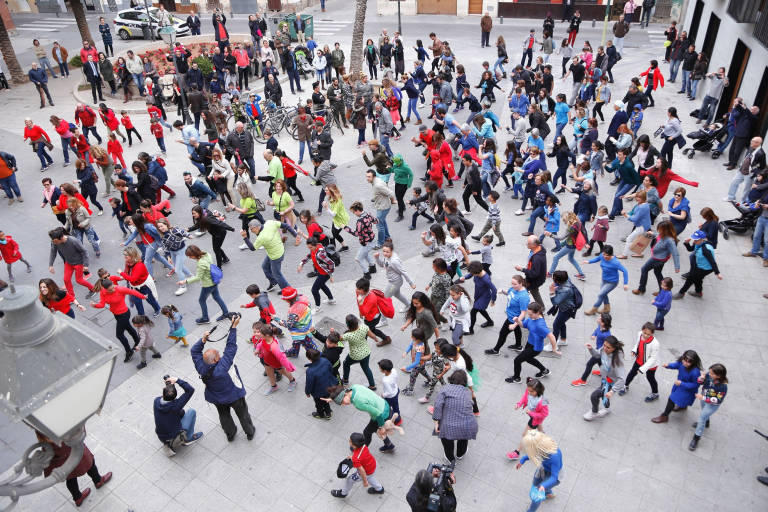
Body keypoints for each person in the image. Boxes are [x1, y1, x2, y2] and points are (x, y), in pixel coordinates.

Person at [192, 314, 256, 441]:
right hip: (234, 395)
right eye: (218, 354)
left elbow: (194, 351)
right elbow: (231, 346)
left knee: (223, 416)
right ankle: (249, 431)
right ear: (216, 359)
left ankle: (230, 434)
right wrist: (233, 327)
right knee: (243, 414)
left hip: (216, 398)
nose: (220, 355)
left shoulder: (201, 366)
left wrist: (203, 340)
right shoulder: (223, 365)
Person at [36, 431, 112, 507]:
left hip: (57, 455)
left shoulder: (42, 430)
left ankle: (78, 498)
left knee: (70, 477)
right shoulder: (59, 427)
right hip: (71, 448)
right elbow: (80, 431)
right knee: (90, 462)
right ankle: (98, 481)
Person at [327, 384, 396, 451]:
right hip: (383, 404)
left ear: (345, 394)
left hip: (382, 415)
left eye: (342, 402)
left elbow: (378, 414)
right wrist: (333, 399)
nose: (343, 404)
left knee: (367, 432)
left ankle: (361, 450)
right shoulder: (354, 387)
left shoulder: (358, 403)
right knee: (373, 428)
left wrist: (382, 427)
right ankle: (389, 444)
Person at [90, 278, 144, 362]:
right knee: (128, 327)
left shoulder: (119, 289)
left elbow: (132, 292)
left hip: (124, 314)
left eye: (113, 287)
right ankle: (137, 340)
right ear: (105, 288)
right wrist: (95, 305)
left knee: (119, 335)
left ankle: (129, 351)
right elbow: (102, 304)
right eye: (110, 289)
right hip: (116, 314)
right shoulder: (103, 292)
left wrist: (143, 296)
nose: (113, 289)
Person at [178, 244, 229, 324]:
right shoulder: (207, 254)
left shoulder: (200, 263)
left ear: (194, 255)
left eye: (190, 256)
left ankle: (205, 318)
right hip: (214, 280)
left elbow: (198, 277)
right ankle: (226, 313)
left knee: (201, 300)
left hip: (208, 284)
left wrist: (185, 281)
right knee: (217, 297)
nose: (189, 258)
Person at [515, 430, 563, 512]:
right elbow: (534, 453)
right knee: (535, 483)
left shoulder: (554, 456)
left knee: (536, 496)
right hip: (543, 468)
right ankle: (548, 492)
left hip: (553, 475)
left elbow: (554, 477)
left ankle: (531, 510)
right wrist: (523, 459)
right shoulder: (541, 448)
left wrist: (544, 485)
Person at [651, 350, 703, 424]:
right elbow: (677, 364)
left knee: (671, 399)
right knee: (677, 399)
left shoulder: (695, 372)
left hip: (687, 390)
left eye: (689, 362)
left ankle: (664, 416)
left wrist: (682, 383)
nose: (685, 363)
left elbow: (696, 385)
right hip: (679, 385)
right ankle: (682, 406)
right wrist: (668, 365)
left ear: (693, 362)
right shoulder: (682, 364)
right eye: (684, 360)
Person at [582, 336, 626, 421]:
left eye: (608, 347)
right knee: (605, 397)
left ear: (614, 348)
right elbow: (597, 355)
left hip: (610, 383)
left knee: (594, 396)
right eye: (604, 345)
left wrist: (612, 391)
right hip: (604, 378)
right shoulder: (604, 349)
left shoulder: (617, 361)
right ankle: (607, 409)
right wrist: (591, 349)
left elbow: (622, 379)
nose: (605, 348)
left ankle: (594, 413)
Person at [331, 432, 386, 498]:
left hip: (366, 472)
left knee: (349, 480)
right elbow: (361, 455)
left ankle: (343, 493)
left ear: (354, 445)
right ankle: (379, 489)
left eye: (350, 440)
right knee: (370, 477)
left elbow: (362, 471)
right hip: (373, 464)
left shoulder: (356, 458)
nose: (349, 440)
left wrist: (365, 481)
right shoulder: (364, 446)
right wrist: (353, 456)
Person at [689, 363, 728, 451]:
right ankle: (707, 422)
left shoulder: (723, 386)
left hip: (712, 404)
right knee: (704, 412)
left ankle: (696, 437)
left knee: (701, 418)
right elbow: (700, 382)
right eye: (709, 372)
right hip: (703, 397)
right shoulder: (708, 375)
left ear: (719, 376)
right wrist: (702, 377)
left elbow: (718, 400)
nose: (709, 374)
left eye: (711, 373)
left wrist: (703, 398)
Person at [48, 227, 95, 298]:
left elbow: (84, 252)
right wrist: (50, 265)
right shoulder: (55, 242)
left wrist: (86, 265)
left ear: (61, 238)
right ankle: (71, 297)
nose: (54, 243)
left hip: (78, 263)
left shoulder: (73, 241)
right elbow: (53, 252)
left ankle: (93, 289)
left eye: (55, 241)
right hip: (68, 263)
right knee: (66, 280)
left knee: (79, 280)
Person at [674, 230, 723, 299]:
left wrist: (717, 273)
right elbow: (690, 249)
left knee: (690, 279)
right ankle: (698, 292)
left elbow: (712, 261)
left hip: (705, 268)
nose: (694, 241)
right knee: (698, 279)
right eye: (694, 239)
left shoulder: (706, 249)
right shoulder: (698, 243)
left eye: (696, 240)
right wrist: (686, 243)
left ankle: (681, 293)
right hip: (699, 265)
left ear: (702, 239)